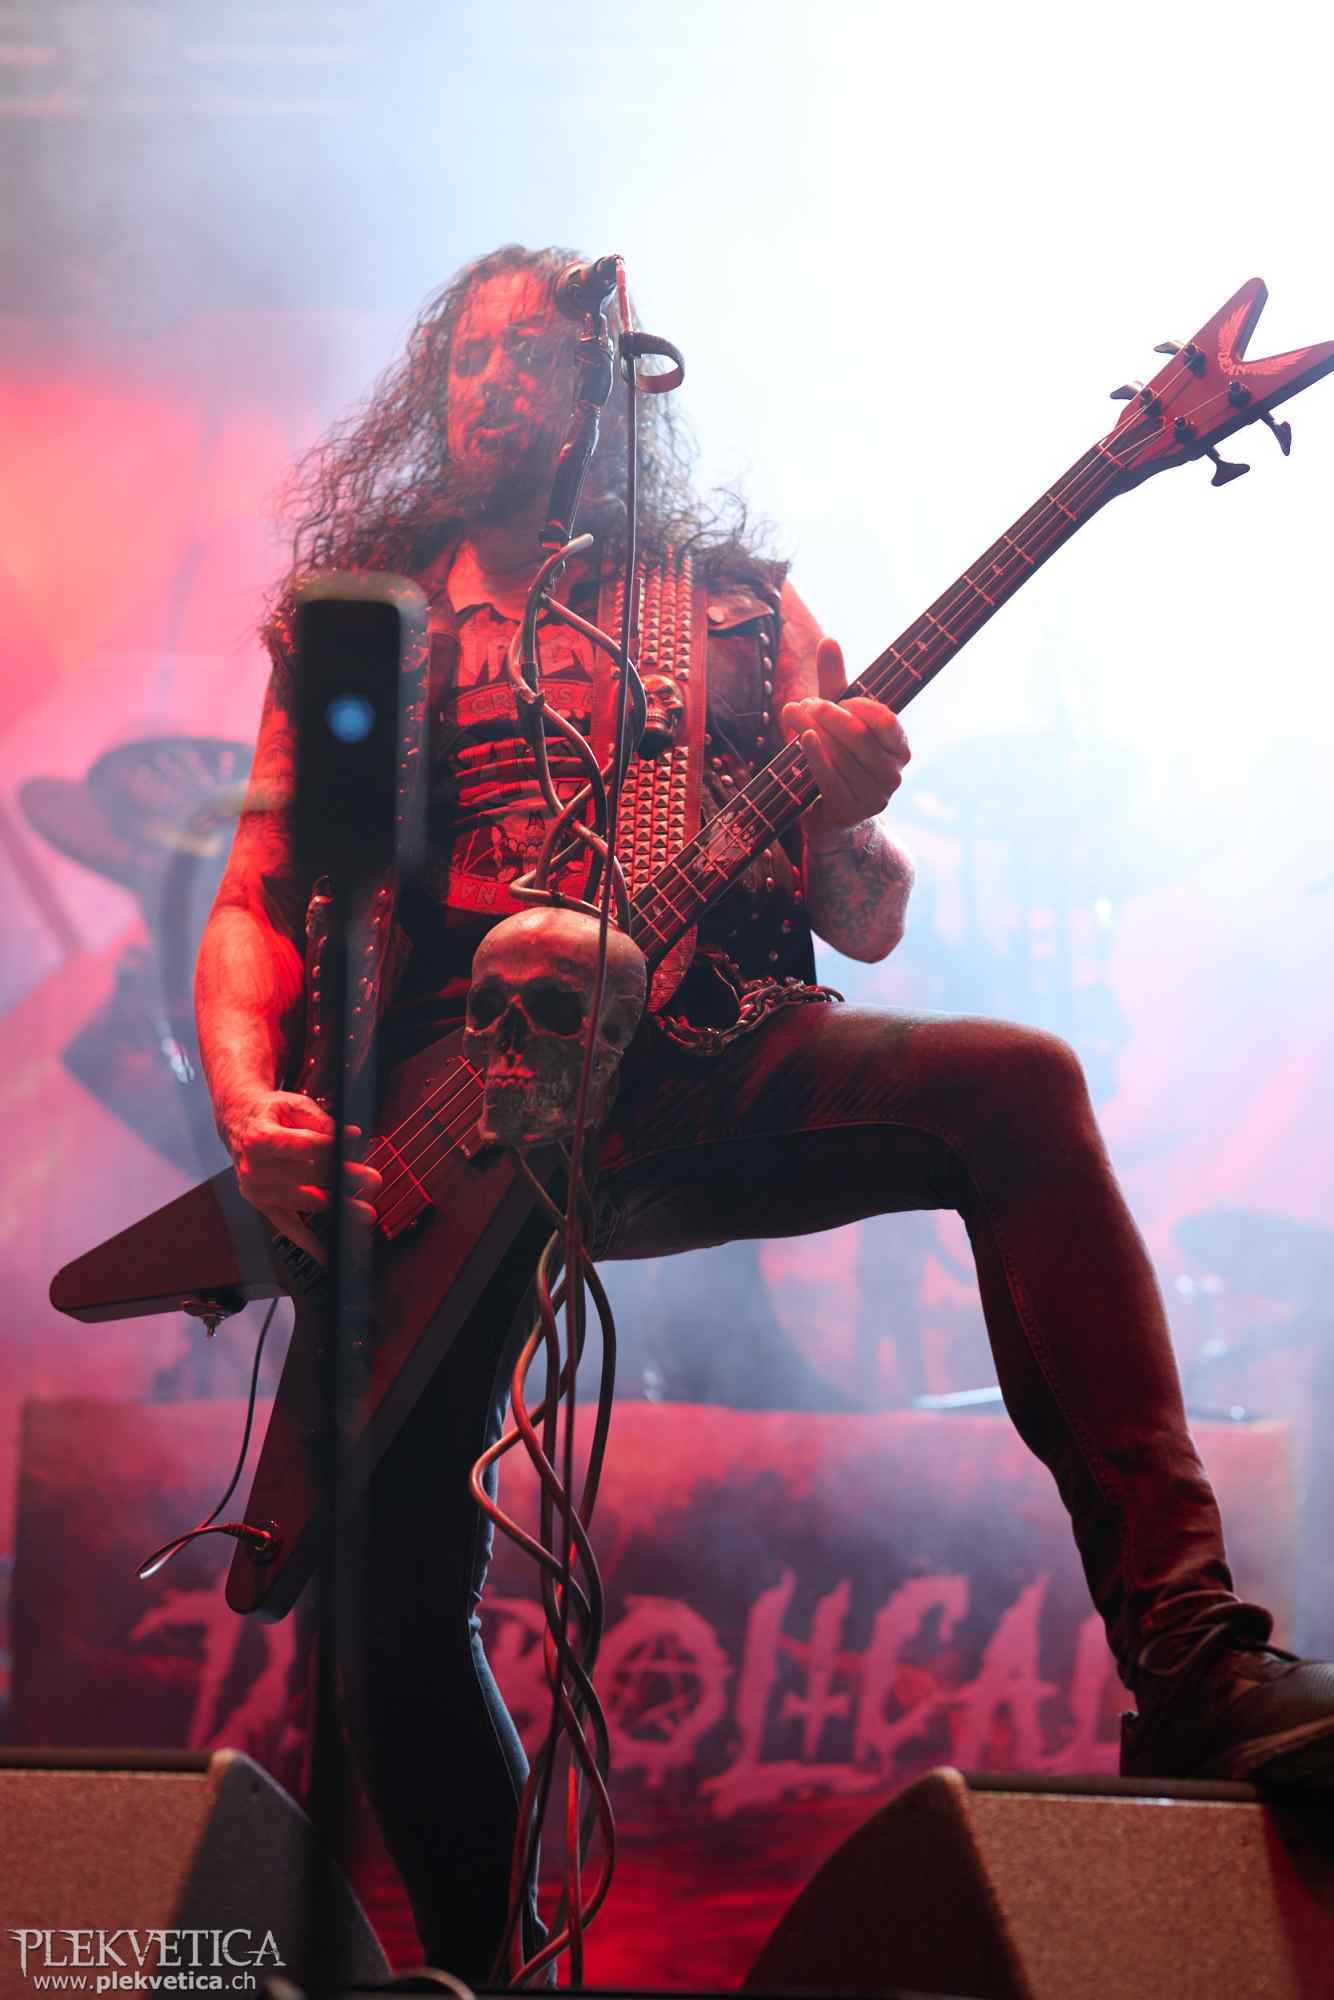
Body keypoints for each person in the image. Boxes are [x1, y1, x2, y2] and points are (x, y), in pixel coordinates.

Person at [195, 245, 1334, 1978]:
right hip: (441, 1125)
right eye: (467, 358)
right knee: (387, 1601)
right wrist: (248, 1104)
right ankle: (492, 1972)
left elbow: (865, 919)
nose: (494, 385)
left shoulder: (732, 611)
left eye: (532, 356)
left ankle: (1191, 1661)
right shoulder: (366, 620)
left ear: (608, 389)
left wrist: (842, 806)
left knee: (1013, 1086)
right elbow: (258, 894)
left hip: (702, 1063)